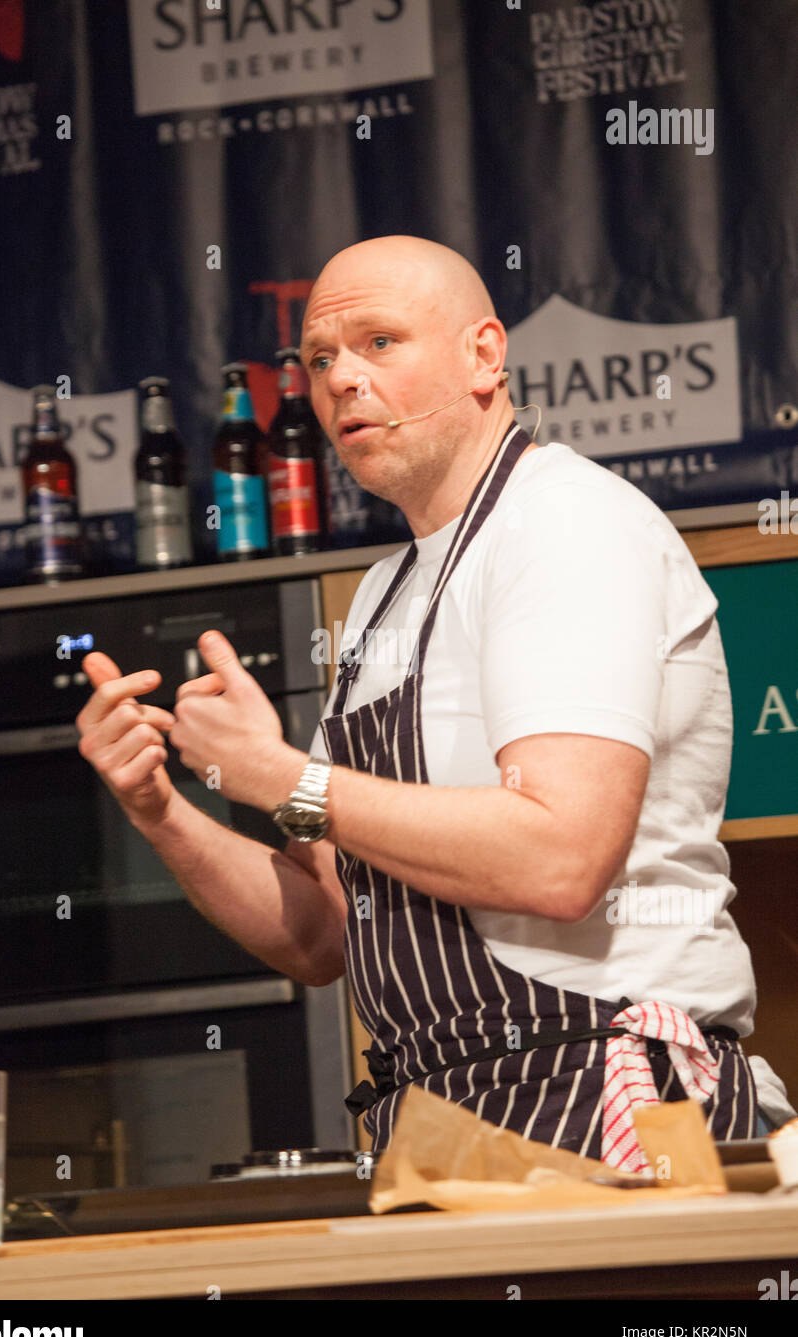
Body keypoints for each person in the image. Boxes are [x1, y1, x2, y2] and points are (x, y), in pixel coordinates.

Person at [77, 235, 794, 1163]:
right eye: (320, 360)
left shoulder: (566, 523)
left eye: (380, 343)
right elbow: (326, 933)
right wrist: (162, 809)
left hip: (607, 1094)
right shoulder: (381, 592)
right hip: (440, 1119)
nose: (340, 381)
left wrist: (285, 777)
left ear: (485, 356)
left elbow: (561, 859)